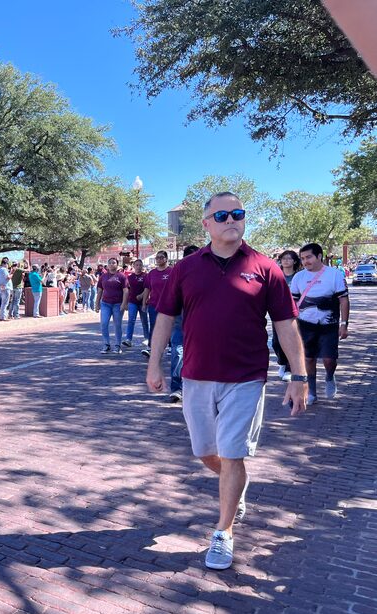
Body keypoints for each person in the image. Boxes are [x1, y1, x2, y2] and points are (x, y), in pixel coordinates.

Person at [146, 192, 308, 571]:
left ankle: (223, 531)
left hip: (246, 378)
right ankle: (236, 488)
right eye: (222, 215)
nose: (231, 219)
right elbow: (165, 319)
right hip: (196, 377)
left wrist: (298, 375)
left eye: (237, 213)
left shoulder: (265, 268)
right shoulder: (186, 268)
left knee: (233, 454)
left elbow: (286, 325)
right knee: (206, 452)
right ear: (207, 224)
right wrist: (154, 365)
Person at [290, 243, 349, 405]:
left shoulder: (334, 275)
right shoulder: (298, 277)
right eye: (302, 258)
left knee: (329, 359)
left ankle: (330, 376)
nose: (305, 261)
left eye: (308, 257)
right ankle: (312, 393)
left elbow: (343, 300)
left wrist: (344, 324)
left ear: (319, 256)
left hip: (329, 325)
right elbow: (293, 303)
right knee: (308, 359)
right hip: (305, 325)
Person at [168, 245, 201, 403]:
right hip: (181, 320)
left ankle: (197, 388)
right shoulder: (179, 273)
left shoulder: (209, 273)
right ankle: (177, 388)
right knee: (178, 353)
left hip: (202, 323)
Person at [272, 250, 301, 382]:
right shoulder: (276, 275)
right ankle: (282, 362)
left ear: (294, 261)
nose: (286, 261)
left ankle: (289, 368)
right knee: (276, 342)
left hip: (296, 313)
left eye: (289, 259)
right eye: (284, 259)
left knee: (293, 340)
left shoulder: (299, 276)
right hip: (278, 312)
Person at [141, 250, 172, 357]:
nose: (159, 259)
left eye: (161, 257)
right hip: (154, 304)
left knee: (169, 326)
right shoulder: (152, 273)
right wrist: (144, 302)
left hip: (169, 304)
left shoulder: (172, 271)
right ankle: (151, 347)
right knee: (154, 325)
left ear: (166, 259)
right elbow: (147, 289)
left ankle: (171, 346)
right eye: (157, 257)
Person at [98, 258, 129, 354]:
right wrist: (96, 303)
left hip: (118, 304)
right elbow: (100, 290)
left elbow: (126, 291)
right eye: (110, 263)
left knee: (117, 325)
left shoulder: (122, 277)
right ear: (107, 265)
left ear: (117, 264)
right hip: (105, 303)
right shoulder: (103, 276)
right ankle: (106, 344)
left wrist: (124, 303)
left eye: (114, 263)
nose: (111, 264)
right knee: (104, 324)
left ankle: (117, 345)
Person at [123, 258, 148, 348]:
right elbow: (126, 291)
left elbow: (148, 289)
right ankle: (128, 339)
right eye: (136, 265)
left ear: (142, 266)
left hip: (143, 302)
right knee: (131, 320)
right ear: (133, 266)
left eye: (140, 265)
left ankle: (147, 338)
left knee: (144, 321)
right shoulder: (130, 277)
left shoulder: (146, 276)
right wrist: (125, 303)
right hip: (132, 302)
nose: (138, 267)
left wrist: (142, 296)